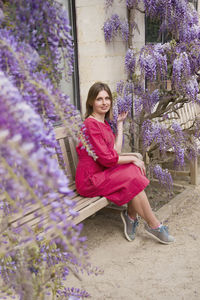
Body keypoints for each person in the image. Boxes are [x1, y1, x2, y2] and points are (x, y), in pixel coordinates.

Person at [75, 82, 174, 244]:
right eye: (99, 99)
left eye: (107, 98)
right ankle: (153, 225)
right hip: (90, 179)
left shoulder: (104, 123)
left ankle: (132, 217)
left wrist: (120, 124)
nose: (104, 102)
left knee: (134, 171)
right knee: (133, 171)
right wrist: (134, 158)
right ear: (91, 102)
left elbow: (115, 152)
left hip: (102, 173)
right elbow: (107, 159)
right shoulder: (89, 125)